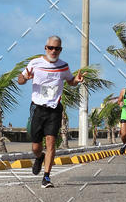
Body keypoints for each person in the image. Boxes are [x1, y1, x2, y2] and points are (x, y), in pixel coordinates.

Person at [18, 36, 84, 188]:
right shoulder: (35, 63)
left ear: (61, 50)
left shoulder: (63, 66)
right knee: (35, 147)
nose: (54, 51)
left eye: (57, 48)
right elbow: (20, 79)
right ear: (45, 48)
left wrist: (77, 80)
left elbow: (70, 81)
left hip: (54, 109)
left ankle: (46, 177)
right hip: (37, 108)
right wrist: (25, 77)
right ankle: (39, 157)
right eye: (51, 48)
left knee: (51, 142)